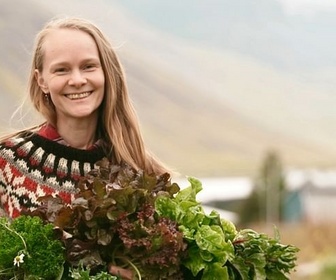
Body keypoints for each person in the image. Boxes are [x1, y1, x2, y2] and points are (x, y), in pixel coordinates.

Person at [0, 17, 169, 219]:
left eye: (88, 66)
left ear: (107, 73)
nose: (78, 80)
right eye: (61, 70)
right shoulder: (7, 164)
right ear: (42, 80)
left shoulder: (142, 172)